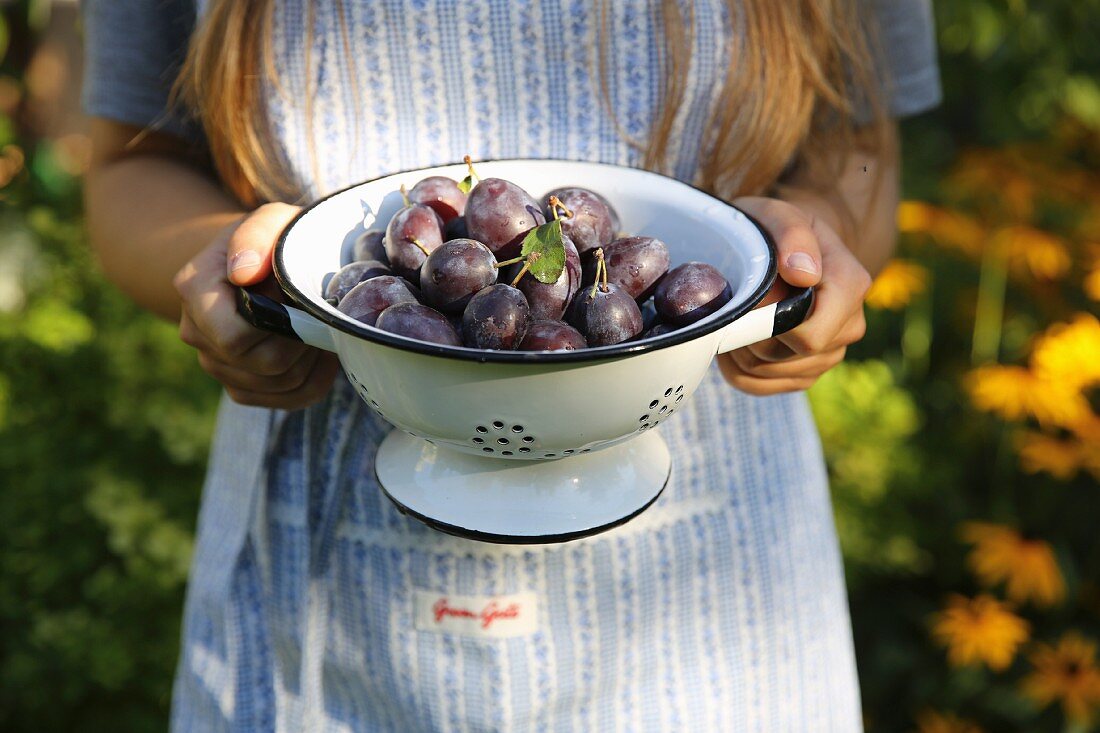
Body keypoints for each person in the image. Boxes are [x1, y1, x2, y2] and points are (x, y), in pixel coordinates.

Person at [82, 1, 940, 730]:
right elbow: (129, 161)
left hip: (720, 598)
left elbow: (857, 148)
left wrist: (807, 246)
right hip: (318, 584)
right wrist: (225, 269)